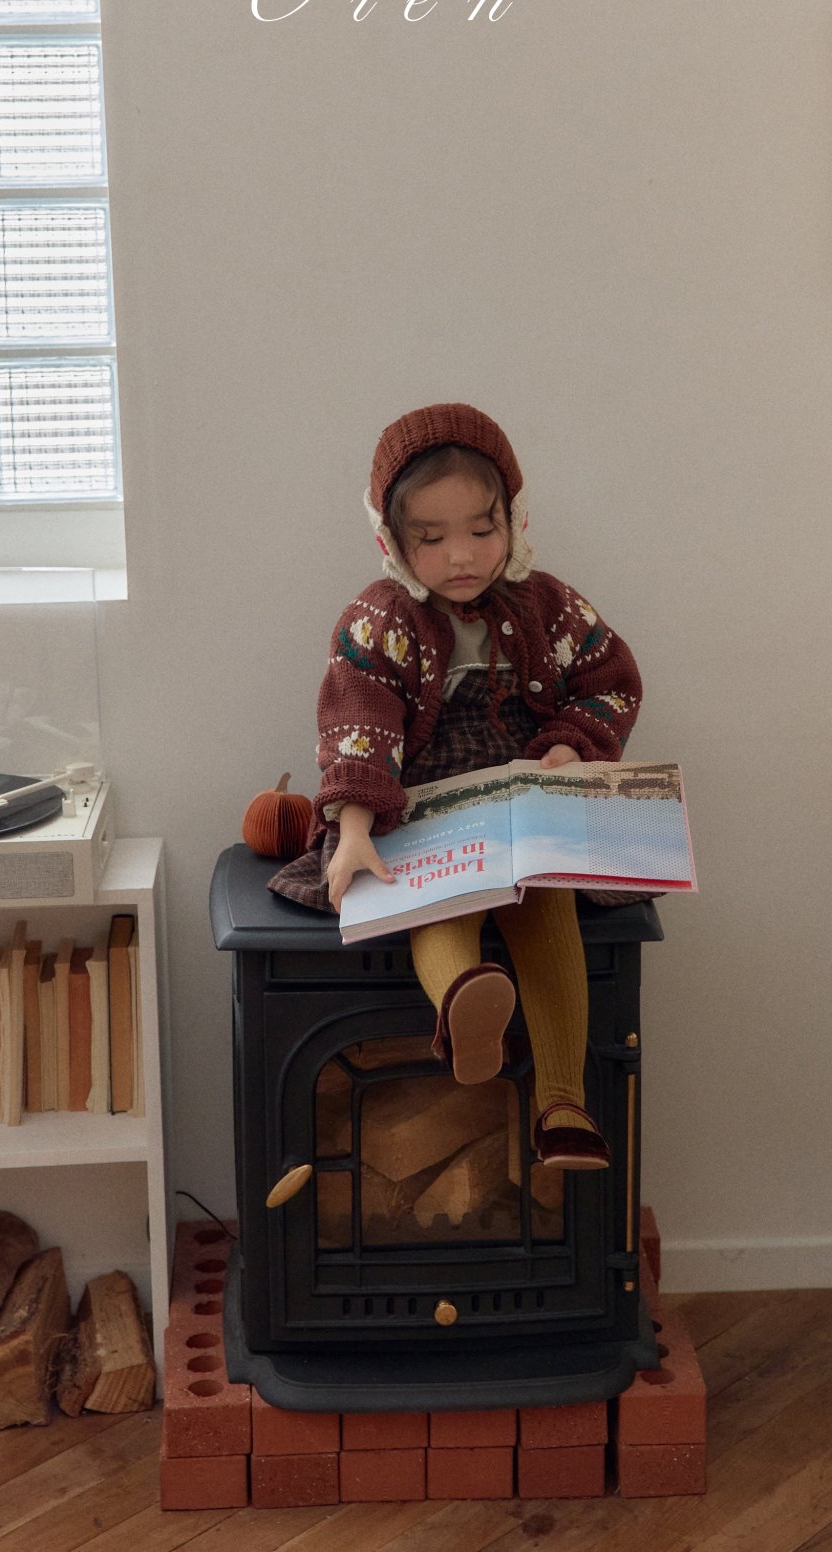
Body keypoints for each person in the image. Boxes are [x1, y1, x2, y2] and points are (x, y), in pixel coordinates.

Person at [270, 403, 642, 1169]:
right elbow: (358, 721)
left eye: (481, 530)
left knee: (548, 902)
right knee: (437, 901)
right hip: (418, 810)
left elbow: (609, 681)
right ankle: (466, 1004)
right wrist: (354, 828)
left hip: (524, 803)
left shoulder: (549, 606)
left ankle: (563, 1105)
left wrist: (568, 745)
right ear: (393, 541)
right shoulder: (379, 620)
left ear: (514, 519)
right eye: (432, 539)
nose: (462, 556)